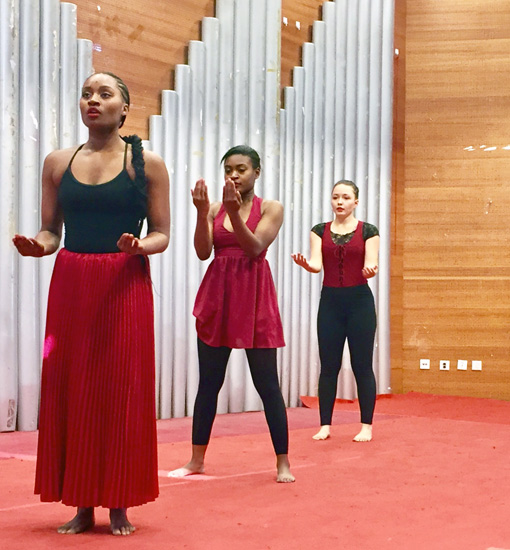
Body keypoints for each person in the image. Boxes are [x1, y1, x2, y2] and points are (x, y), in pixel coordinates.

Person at [13, 72, 170, 535]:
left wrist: (141, 247)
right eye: (86, 93)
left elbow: (162, 232)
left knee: (122, 389)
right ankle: (81, 501)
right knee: (72, 388)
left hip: (124, 282)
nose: (92, 100)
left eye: (104, 94)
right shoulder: (57, 162)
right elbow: (51, 231)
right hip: (72, 283)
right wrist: (38, 247)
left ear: (125, 107)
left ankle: (119, 500)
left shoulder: (148, 164)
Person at [170, 145, 294, 483]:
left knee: (267, 383)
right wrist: (200, 213)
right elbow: (202, 252)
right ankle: (196, 459)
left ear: (257, 172)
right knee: (209, 383)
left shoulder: (271, 207)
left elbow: (255, 248)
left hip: (254, 296)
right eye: (229, 169)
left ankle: (282, 462)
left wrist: (234, 213)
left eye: (241, 169)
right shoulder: (214, 209)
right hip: (219, 295)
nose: (234, 175)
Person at [291, 180, 379, 442]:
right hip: (330, 302)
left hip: (360, 302)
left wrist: (370, 271)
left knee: (361, 365)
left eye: (346, 198)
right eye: (335, 197)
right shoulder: (319, 230)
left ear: (356, 202)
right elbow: (317, 264)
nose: (340, 202)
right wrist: (307, 265)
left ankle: (366, 425)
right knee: (328, 366)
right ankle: (325, 425)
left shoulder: (369, 231)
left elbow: (371, 264)